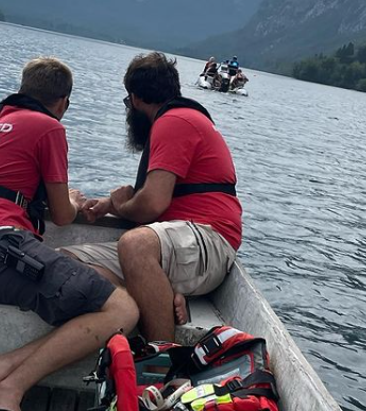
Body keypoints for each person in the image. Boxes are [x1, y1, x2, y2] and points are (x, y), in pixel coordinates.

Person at [0, 57, 138, 411]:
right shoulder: (49, 127)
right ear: (63, 101)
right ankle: (10, 390)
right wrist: (71, 199)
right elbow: (64, 217)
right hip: (1, 249)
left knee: (99, 282)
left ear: (24, 89)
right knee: (123, 309)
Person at [61, 52, 242, 342]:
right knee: (66, 264)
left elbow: (152, 205)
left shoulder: (174, 121)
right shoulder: (179, 119)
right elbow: (159, 199)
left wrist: (121, 204)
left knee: (135, 244)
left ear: (134, 99)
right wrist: (114, 206)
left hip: (209, 240)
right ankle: (161, 296)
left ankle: (162, 357)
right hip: (178, 246)